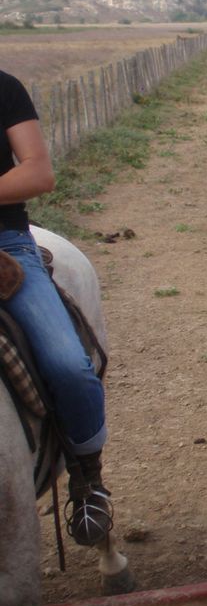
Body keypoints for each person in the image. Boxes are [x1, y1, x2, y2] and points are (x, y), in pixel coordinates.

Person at [0, 69, 114, 547]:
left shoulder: (5, 88)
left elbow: (38, 172)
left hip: (6, 244)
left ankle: (87, 477)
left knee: (68, 364)